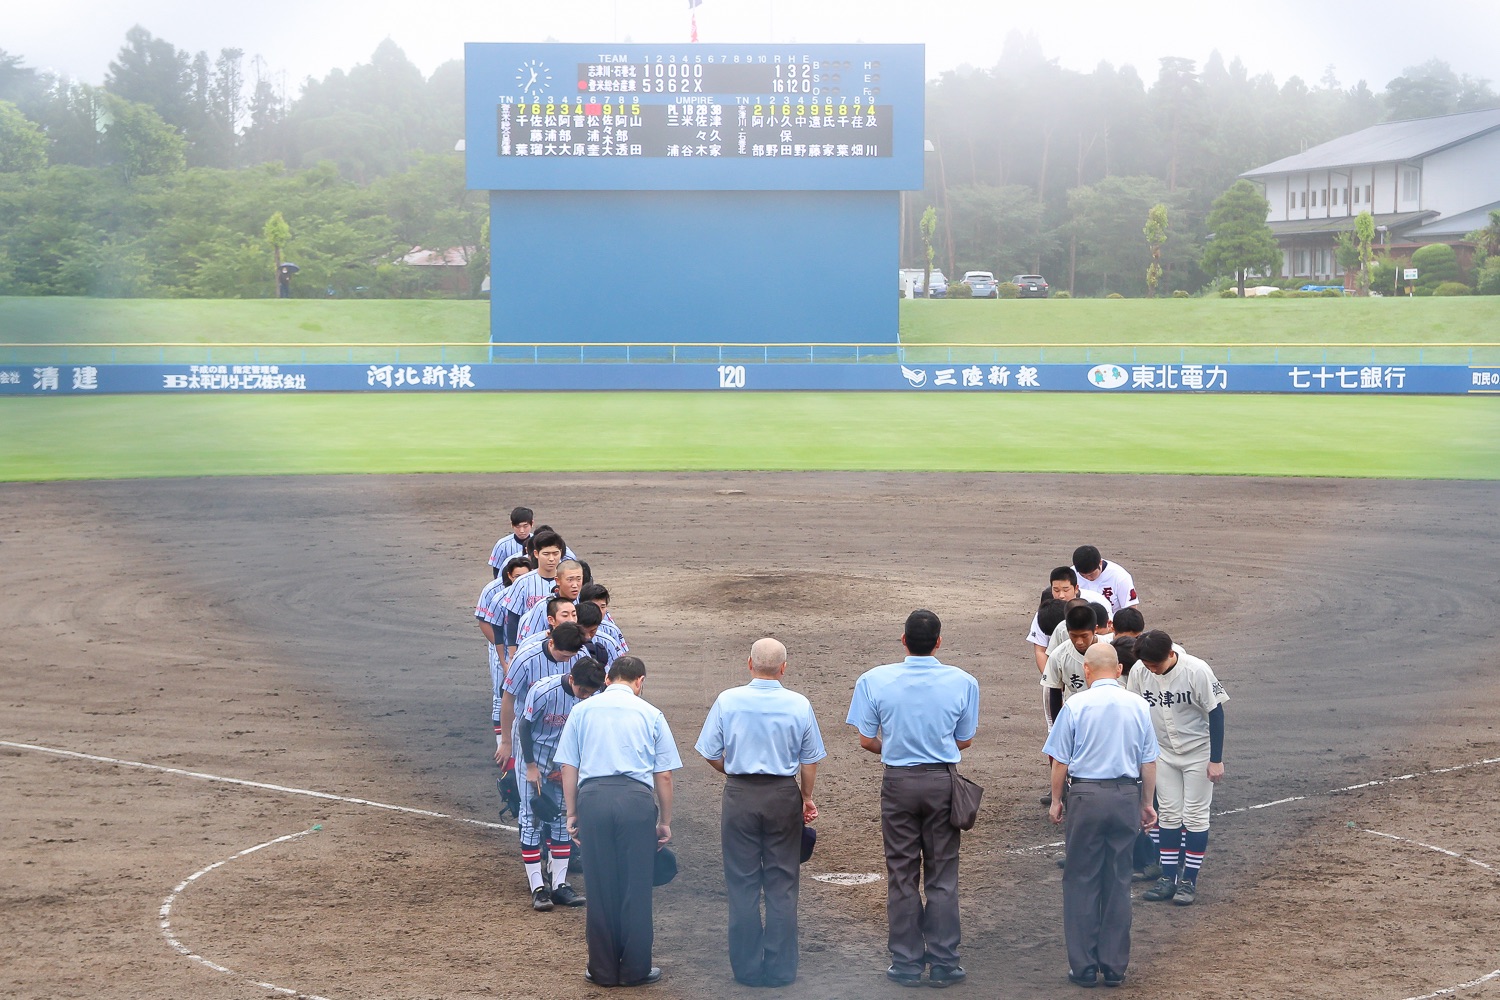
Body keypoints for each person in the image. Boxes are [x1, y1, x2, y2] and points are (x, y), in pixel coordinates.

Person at [846, 610, 979, 988]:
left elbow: (867, 740)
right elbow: (964, 739)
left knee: (902, 874)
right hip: (942, 784)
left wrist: (899, 746)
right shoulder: (963, 681)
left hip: (898, 784)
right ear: (938, 642)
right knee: (942, 874)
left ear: (903, 640)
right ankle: (943, 963)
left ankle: (905, 963)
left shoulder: (874, 679)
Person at [695, 638, 826, 988]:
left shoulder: (728, 700)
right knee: (782, 884)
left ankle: (747, 969)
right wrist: (806, 797)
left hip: (740, 795)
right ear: (783, 667)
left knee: (742, 883)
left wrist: (734, 771)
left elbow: (709, 751)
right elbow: (809, 759)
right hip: (783, 795)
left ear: (749, 663)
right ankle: (781, 969)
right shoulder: (798, 703)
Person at [558, 656, 683, 987]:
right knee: (636, 887)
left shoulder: (581, 711)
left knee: (599, 887)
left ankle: (602, 970)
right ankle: (635, 969)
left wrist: (573, 814)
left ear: (609, 679)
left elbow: (568, 768)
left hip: (594, 800)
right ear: (639, 681)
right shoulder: (651, 714)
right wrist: (665, 821)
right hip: (635, 803)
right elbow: (665, 775)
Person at [1043, 643, 1159, 989]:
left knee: (1081, 879)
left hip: (1086, 797)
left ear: (1087, 671)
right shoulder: (1139, 704)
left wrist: (1054, 800)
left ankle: (1083, 967)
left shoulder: (1076, 704)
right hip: (1125, 795)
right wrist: (1146, 803)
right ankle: (1113, 966)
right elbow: (1148, 761)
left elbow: (1060, 760)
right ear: (1120, 669)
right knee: (1119, 879)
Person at [1127, 630, 1229, 907]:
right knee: (1169, 814)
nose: (1151, 669)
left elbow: (1215, 712)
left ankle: (1189, 881)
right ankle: (1168, 878)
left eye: (1155, 665)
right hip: (1163, 753)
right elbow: (1134, 711)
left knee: (1195, 816)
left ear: (1171, 654)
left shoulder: (1196, 670)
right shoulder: (1139, 670)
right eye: (1147, 664)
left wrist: (1215, 759)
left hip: (1199, 752)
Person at [517, 656, 607, 911]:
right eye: (582, 690)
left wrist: (569, 771)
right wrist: (532, 767)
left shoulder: (593, 700)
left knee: (562, 821)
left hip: (566, 763)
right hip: (534, 758)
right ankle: (537, 887)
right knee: (532, 819)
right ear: (571, 679)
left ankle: (559, 885)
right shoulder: (543, 691)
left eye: (590, 692)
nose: (585, 696)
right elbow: (524, 728)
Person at [1028, 568, 1111, 673]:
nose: (1061, 595)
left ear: (1076, 588)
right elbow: (1040, 650)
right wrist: (1049, 678)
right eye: (1056, 590)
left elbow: (1108, 630)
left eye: (1066, 590)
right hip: (1064, 665)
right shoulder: (1046, 611)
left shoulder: (1097, 602)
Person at [516, 559, 586, 645]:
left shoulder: (584, 600)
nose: (575, 585)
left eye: (578, 579)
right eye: (570, 580)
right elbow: (528, 641)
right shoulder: (543, 606)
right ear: (557, 581)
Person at [1071, 546, 1140, 616]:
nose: (1089, 578)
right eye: (1083, 576)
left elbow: (1130, 609)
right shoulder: (1071, 574)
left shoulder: (1120, 576)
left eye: (1091, 574)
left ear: (1100, 562)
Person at [488, 506, 535, 578]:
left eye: (525, 526)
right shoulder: (502, 544)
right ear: (512, 525)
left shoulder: (538, 542)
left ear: (532, 523)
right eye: (518, 526)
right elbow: (497, 569)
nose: (522, 530)